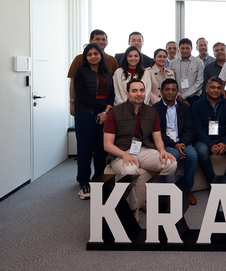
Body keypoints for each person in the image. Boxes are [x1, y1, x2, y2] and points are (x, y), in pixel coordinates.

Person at [103, 79, 177, 221]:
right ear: (127, 94)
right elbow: (107, 145)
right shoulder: (115, 112)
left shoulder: (151, 111)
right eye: (134, 91)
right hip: (121, 152)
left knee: (170, 163)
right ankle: (133, 211)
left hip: (144, 149)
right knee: (130, 171)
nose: (139, 94)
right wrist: (125, 154)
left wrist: (162, 150)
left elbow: (157, 138)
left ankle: (151, 202)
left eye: (141, 90)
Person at [73, 43, 114, 199]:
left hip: (104, 114)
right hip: (85, 113)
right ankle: (83, 181)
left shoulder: (106, 72)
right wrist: (104, 107)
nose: (93, 56)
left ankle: (98, 178)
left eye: (96, 53)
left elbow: (111, 93)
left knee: (101, 148)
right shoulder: (81, 72)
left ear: (101, 55)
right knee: (85, 148)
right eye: (89, 54)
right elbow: (82, 97)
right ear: (86, 57)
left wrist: (106, 111)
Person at [153, 78, 198, 205]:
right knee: (174, 156)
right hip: (166, 143)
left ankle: (187, 190)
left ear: (177, 91)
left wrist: (183, 143)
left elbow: (190, 128)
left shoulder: (184, 107)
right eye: (167, 90)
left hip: (183, 141)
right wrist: (174, 145)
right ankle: (169, 191)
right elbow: (158, 132)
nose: (170, 93)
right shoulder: (155, 109)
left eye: (173, 90)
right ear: (161, 91)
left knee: (193, 156)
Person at [191, 76, 226, 185]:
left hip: (224, 138)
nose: (216, 90)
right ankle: (213, 183)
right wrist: (210, 144)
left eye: (219, 88)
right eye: (212, 87)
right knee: (201, 151)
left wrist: (225, 143)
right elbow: (197, 129)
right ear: (206, 89)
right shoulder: (197, 105)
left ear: (222, 90)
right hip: (204, 140)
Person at [67, 29, 118, 116]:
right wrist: (72, 103)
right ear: (91, 41)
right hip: (84, 106)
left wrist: (108, 107)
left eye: (103, 39)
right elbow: (73, 83)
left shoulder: (112, 60)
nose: (101, 42)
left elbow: (113, 85)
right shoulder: (79, 59)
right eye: (97, 39)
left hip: (105, 106)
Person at [169, 38, 204, 108]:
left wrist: (183, 96)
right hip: (177, 98)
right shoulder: (173, 63)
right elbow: (172, 81)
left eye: (187, 48)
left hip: (194, 99)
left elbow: (200, 82)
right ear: (179, 49)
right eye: (182, 48)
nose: (185, 51)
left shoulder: (198, 62)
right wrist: (179, 96)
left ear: (192, 48)